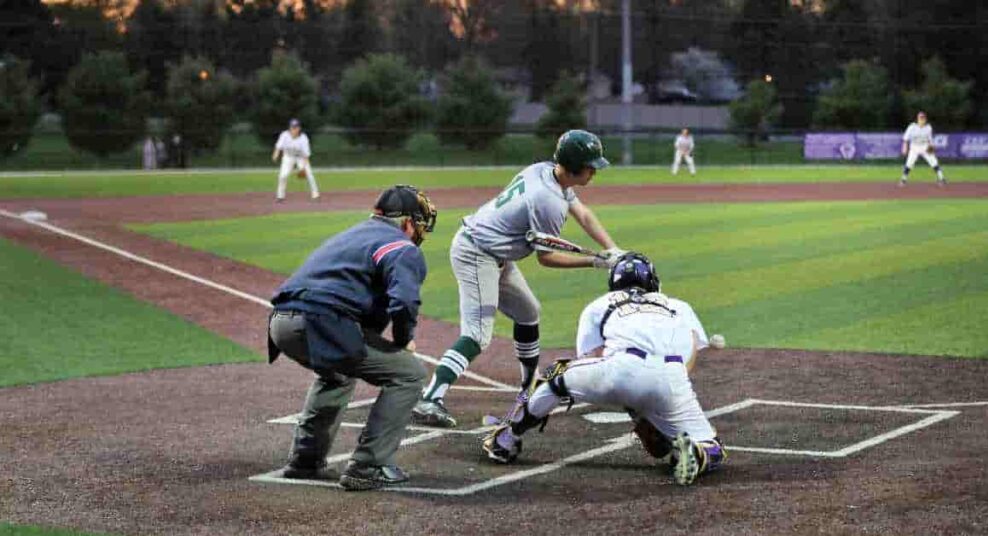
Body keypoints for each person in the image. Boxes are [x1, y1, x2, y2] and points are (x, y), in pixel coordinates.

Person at [411, 129, 625, 428]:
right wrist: (594, 261)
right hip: (477, 253)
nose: (594, 171)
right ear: (575, 165)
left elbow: (584, 214)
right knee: (477, 335)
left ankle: (529, 385)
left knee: (528, 312)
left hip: (498, 253)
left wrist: (612, 248)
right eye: (591, 166)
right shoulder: (547, 200)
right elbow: (546, 257)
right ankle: (430, 398)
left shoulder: (545, 171)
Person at [482, 253, 727, 486]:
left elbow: (591, 357)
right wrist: (652, 412)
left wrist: (634, 406)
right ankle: (698, 452)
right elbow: (691, 353)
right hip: (673, 377)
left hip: (622, 369)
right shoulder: (679, 306)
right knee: (714, 445)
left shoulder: (601, 304)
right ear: (653, 281)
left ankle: (506, 438)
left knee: (558, 374)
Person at [267, 185, 437, 491]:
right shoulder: (402, 246)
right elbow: (405, 303)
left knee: (338, 375)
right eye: (419, 223)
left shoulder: (353, 233)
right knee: (409, 374)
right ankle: (369, 465)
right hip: (321, 322)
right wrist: (402, 340)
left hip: (280, 323)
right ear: (407, 223)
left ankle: (305, 461)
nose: (420, 231)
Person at [272, 118, 320, 202]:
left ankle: (315, 195)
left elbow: (306, 155)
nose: (294, 129)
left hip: (301, 157)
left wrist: (303, 168)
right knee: (283, 175)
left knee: (309, 174)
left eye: (296, 127)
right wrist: (275, 154)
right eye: (292, 127)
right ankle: (280, 196)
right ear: (289, 128)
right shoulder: (284, 135)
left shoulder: (303, 138)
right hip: (288, 156)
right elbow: (278, 146)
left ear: (299, 128)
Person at [900, 111, 946, 187]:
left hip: (925, 146)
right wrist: (904, 147)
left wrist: (931, 149)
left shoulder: (928, 128)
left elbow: (930, 140)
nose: (922, 119)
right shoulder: (912, 127)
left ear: (925, 119)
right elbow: (905, 138)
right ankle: (903, 179)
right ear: (917, 119)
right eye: (920, 118)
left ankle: (941, 178)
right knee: (909, 162)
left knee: (933, 161)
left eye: (923, 118)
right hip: (914, 147)